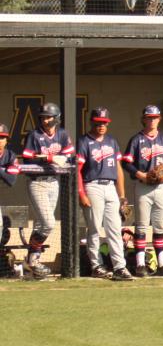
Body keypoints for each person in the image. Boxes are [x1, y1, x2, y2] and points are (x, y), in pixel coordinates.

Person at [75, 107, 133, 281]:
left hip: (110, 188)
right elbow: (77, 170)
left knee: (114, 229)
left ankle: (120, 267)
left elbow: (118, 169)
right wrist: (81, 193)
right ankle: (96, 265)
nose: (101, 126)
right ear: (92, 122)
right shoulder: (84, 141)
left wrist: (121, 195)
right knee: (93, 228)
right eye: (98, 122)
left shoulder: (111, 141)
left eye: (104, 123)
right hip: (92, 186)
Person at [124, 104, 163, 276]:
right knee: (141, 226)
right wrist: (139, 174)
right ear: (143, 119)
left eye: (155, 117)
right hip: (143, 186)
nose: (152, 120)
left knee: (160, 226)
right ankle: (140, 264)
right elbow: (126, 161)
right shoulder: (136, 140)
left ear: (159, 119)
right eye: (149, 117)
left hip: (160, 187)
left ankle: (162, 264)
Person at [20, 102, 73, 278]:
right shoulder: (34, 135)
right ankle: (31, 260)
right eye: (43, 117)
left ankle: (32, 262)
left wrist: (53, 157)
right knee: (49, 223)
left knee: (41, 225)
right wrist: (47, 159)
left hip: (53, 182)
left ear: (56, 118)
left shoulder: (62, 134)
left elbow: (69, 154)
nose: (45, 120)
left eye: (48, 117)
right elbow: (27, 159)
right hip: (37, 183)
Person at [0, 124, 18, 272]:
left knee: (0, 227)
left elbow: (11, 180)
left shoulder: (10, 155)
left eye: (2, 138)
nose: (0, 140)